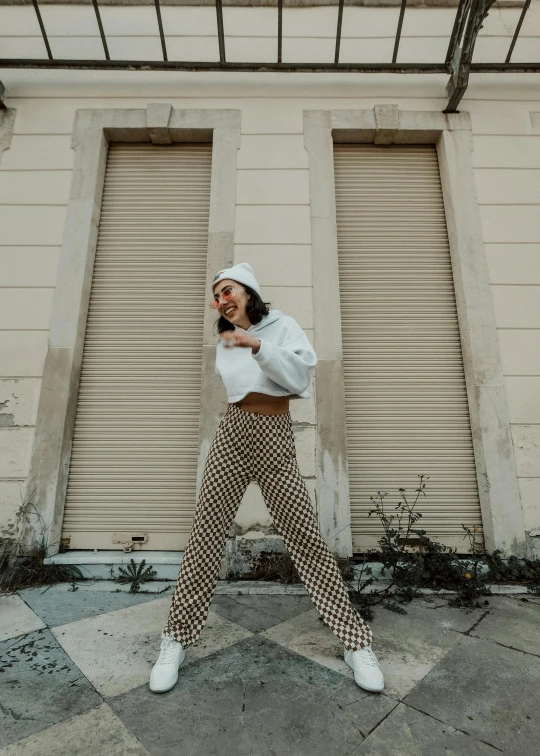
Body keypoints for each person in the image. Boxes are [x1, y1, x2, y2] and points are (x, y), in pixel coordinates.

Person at [149, 263, 384, 694]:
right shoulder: (225, 340)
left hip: (275, 436)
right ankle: (175, 638)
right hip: (233, 433)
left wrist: (257, 344)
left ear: (249, 291)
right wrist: (245, 342)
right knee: (205, 534)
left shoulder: (284, 326)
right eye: (217, 295)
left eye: (229, 290)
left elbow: (298, 378)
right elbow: (245, 388)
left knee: (306, 536)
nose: (222, 299)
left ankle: (354, 642)